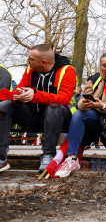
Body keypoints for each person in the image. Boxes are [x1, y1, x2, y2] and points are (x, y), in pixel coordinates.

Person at [55, 50, 106, 178]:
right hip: (99, 119)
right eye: (103, 66)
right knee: (78, 114)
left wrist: (103, 105)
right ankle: (71, 159)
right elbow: (82, 99)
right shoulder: (94, 78)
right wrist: (84, 104)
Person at [0, 44, 76, 172]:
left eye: (31, 59)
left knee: (54, 108)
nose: (27, 61)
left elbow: (64, 99)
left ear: (44, 62)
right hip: (33, 116)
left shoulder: (67, 70)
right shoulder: (30, 69)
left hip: (60, 119)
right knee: (4, 105)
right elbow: (19, 88)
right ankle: (1, 158)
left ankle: (48, 155)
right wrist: (17, 97)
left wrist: (35, 95)